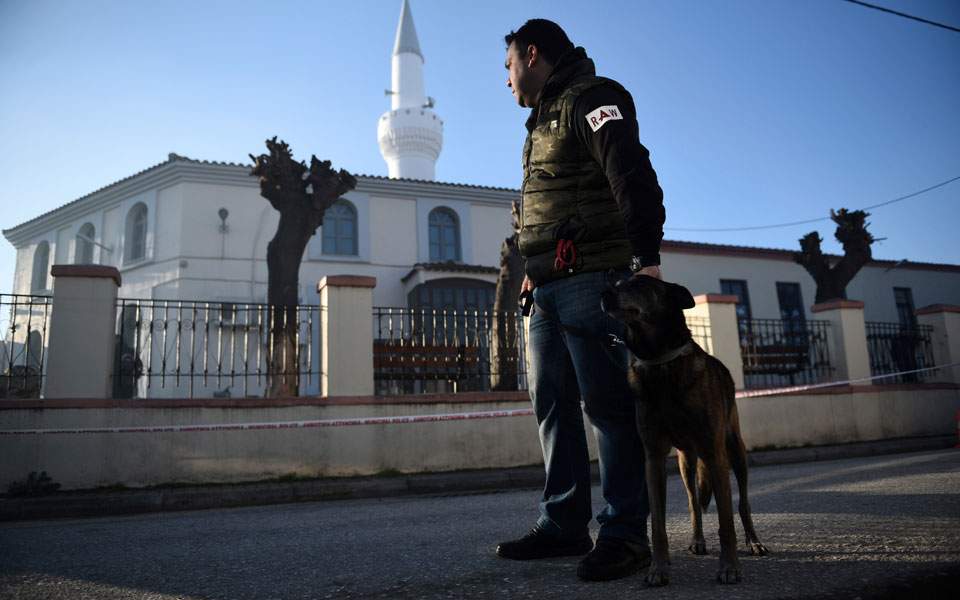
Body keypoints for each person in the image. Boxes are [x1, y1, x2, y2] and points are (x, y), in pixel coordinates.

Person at [495, 19, 666, 582]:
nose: (506, 79)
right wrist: (533, 270)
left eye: (508, 65)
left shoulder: (592, 98)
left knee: (608, 407)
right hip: (546, 288)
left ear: (532, 54)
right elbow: (552, 204)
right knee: (552, 407)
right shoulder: (540, 121)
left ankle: (625, 535)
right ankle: (564, 524)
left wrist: (646, 260)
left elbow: (630, 172)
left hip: (594, 280)